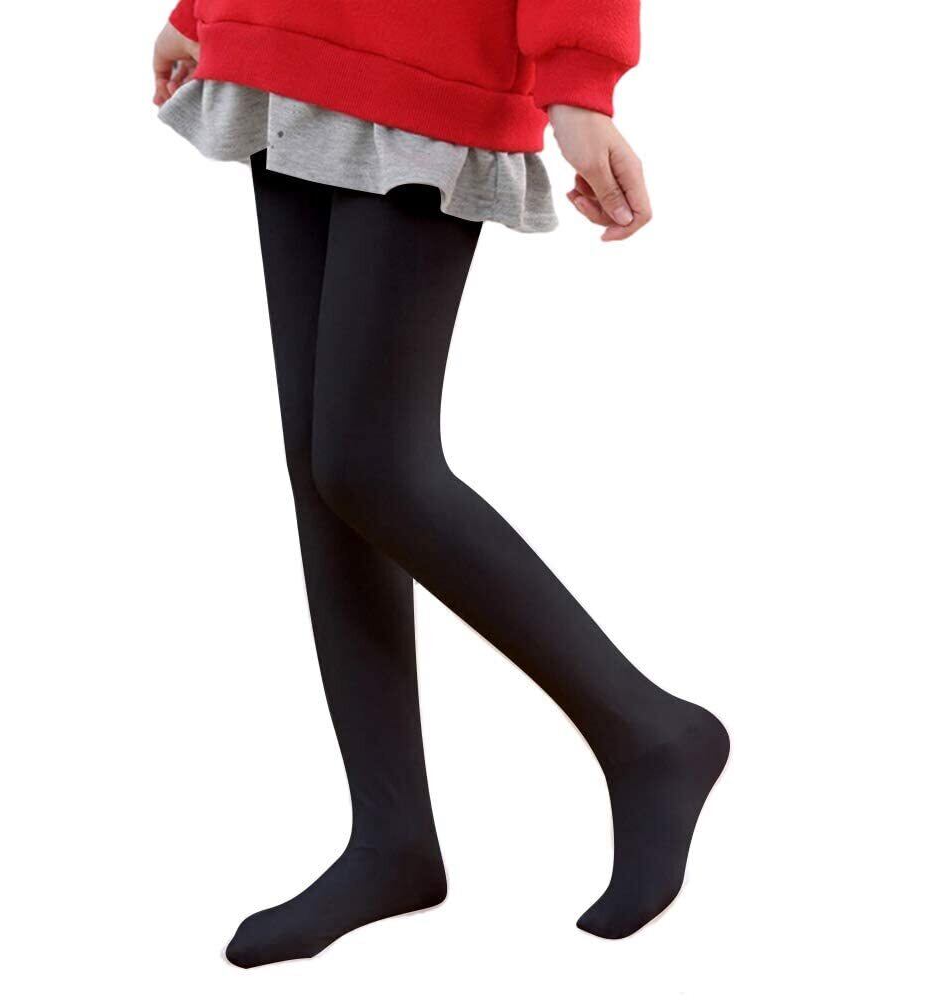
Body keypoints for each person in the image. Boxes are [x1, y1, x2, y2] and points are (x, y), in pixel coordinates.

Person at [153, 0, 728, 969]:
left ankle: (649, 733)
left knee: (371, 462)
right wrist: (202, 11)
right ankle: (390, 839)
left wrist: (579, 79)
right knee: (323, 464)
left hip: (427, 47)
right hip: (285, 31)